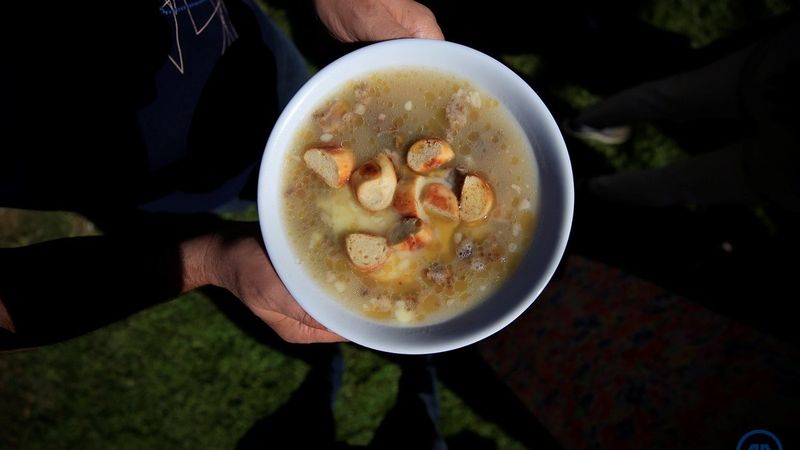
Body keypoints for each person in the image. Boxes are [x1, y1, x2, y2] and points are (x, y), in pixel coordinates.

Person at [0, 0, 444, 350]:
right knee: (233, 194)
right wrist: (211, 259)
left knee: (287, 112)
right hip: (120, 167)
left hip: (245, 51)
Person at [563, 15, 799, 211]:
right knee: (682, 182)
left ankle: (584, 126)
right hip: (787, 156)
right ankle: (587, 191)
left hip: (779, 75)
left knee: (666, 97)